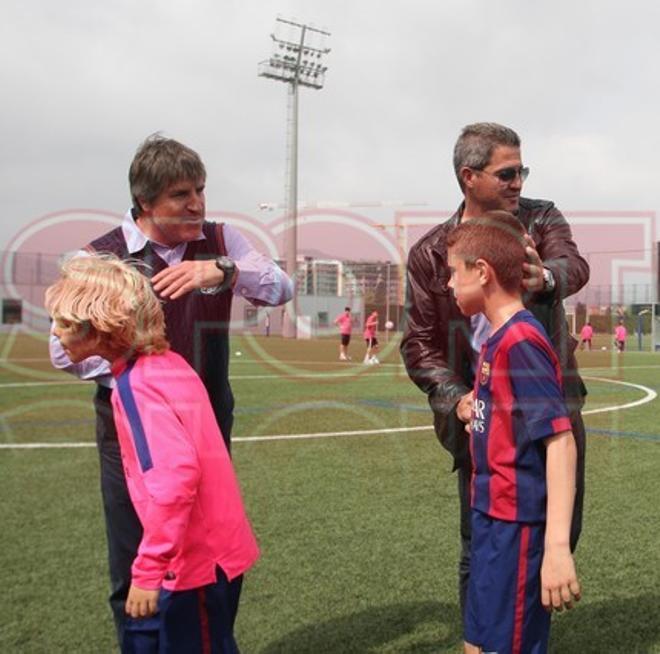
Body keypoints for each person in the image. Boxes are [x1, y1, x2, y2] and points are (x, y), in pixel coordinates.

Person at [49, 134, 292, 644]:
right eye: (182, 194)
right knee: (134, 558)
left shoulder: (222, 242)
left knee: (211, 552)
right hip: (131, 431)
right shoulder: (98, 259)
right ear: (145, 201)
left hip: (205, 428)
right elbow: (59, 350)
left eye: (201, 189)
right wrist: (142, 369)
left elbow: (280, 287)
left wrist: (223, 271)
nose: (197, 203)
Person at [400, 123, 589, 617]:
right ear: (469, 177)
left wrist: (545, 277)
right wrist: (456, 397)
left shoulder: (540, 218)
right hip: (477, 418)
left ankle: (525, 627)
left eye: (521, 170)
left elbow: (573, 263)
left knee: (559, 530)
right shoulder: (430, 251)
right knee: (480, 537)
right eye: (506, 173)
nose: (518, 182)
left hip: (545, 402)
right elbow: (418, 342)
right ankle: (483, 637)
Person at [46, 255, 260, 653]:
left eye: (63, 322)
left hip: (196, 562)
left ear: (102, 327)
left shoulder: (139, 385)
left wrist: (147, 571)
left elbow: (175, 480)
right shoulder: (165, 364)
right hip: (214, 554)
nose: (55, 334)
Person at [446, 212, 580, 653]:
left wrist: (557, 547)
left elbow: (560, 441)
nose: (448, 284)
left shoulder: (522, 341)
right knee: (477, 640)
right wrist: (473, 406)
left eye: (454, 272)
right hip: (488, 516)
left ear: (481, 272)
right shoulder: (494, 339)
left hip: (516, 529)